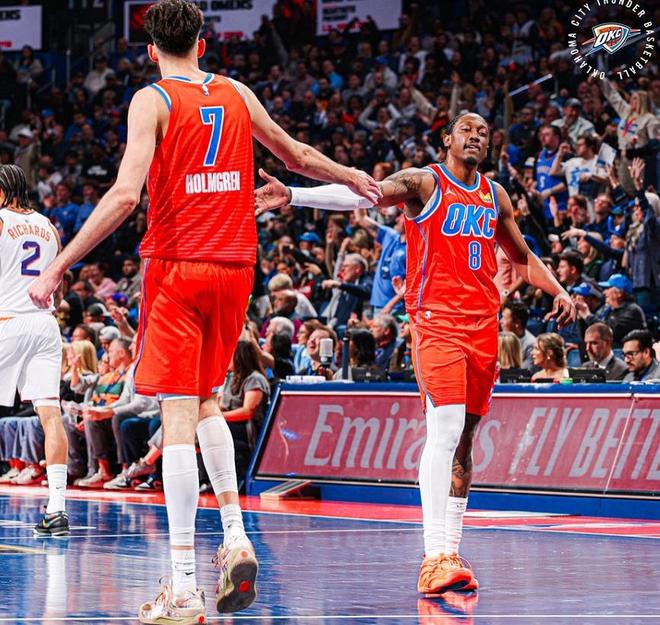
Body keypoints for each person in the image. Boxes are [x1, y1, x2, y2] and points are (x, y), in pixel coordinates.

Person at [28, 1, 380, 621]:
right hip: (235, 266)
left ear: (150, 50)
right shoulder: (237, 93)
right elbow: (296, 155)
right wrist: (349, 174)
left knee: (178, 414)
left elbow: (125, 195)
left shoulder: (152, 99)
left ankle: (185, 584)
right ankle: (236, 537)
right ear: (203, 43)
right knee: (206, 398)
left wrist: (59, 265)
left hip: (178, 265)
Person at [255, 111, 575, 595]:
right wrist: (296, 195)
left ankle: (451, 551)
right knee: (444, 430)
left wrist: (559, 290)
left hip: (483, 326)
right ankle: (433, 556)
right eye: (466, 130)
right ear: (447, 139)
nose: (475, 136)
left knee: (465, 441)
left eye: (483, 133)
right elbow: (364, 193)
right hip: (437, 322)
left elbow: (521, 257)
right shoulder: (424, 182)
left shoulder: (495, 196)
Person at [0, 164, 69, 536]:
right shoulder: (49, 227)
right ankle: (57, 508)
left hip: (8, 320)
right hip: (45, 324)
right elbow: (60, 281)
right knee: (51, 415)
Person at [499, 301, 535, 369]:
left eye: (504, 318)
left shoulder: (532, 345)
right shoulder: (499, 338)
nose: (501, 321)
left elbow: (524, 372)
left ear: (517, 323)